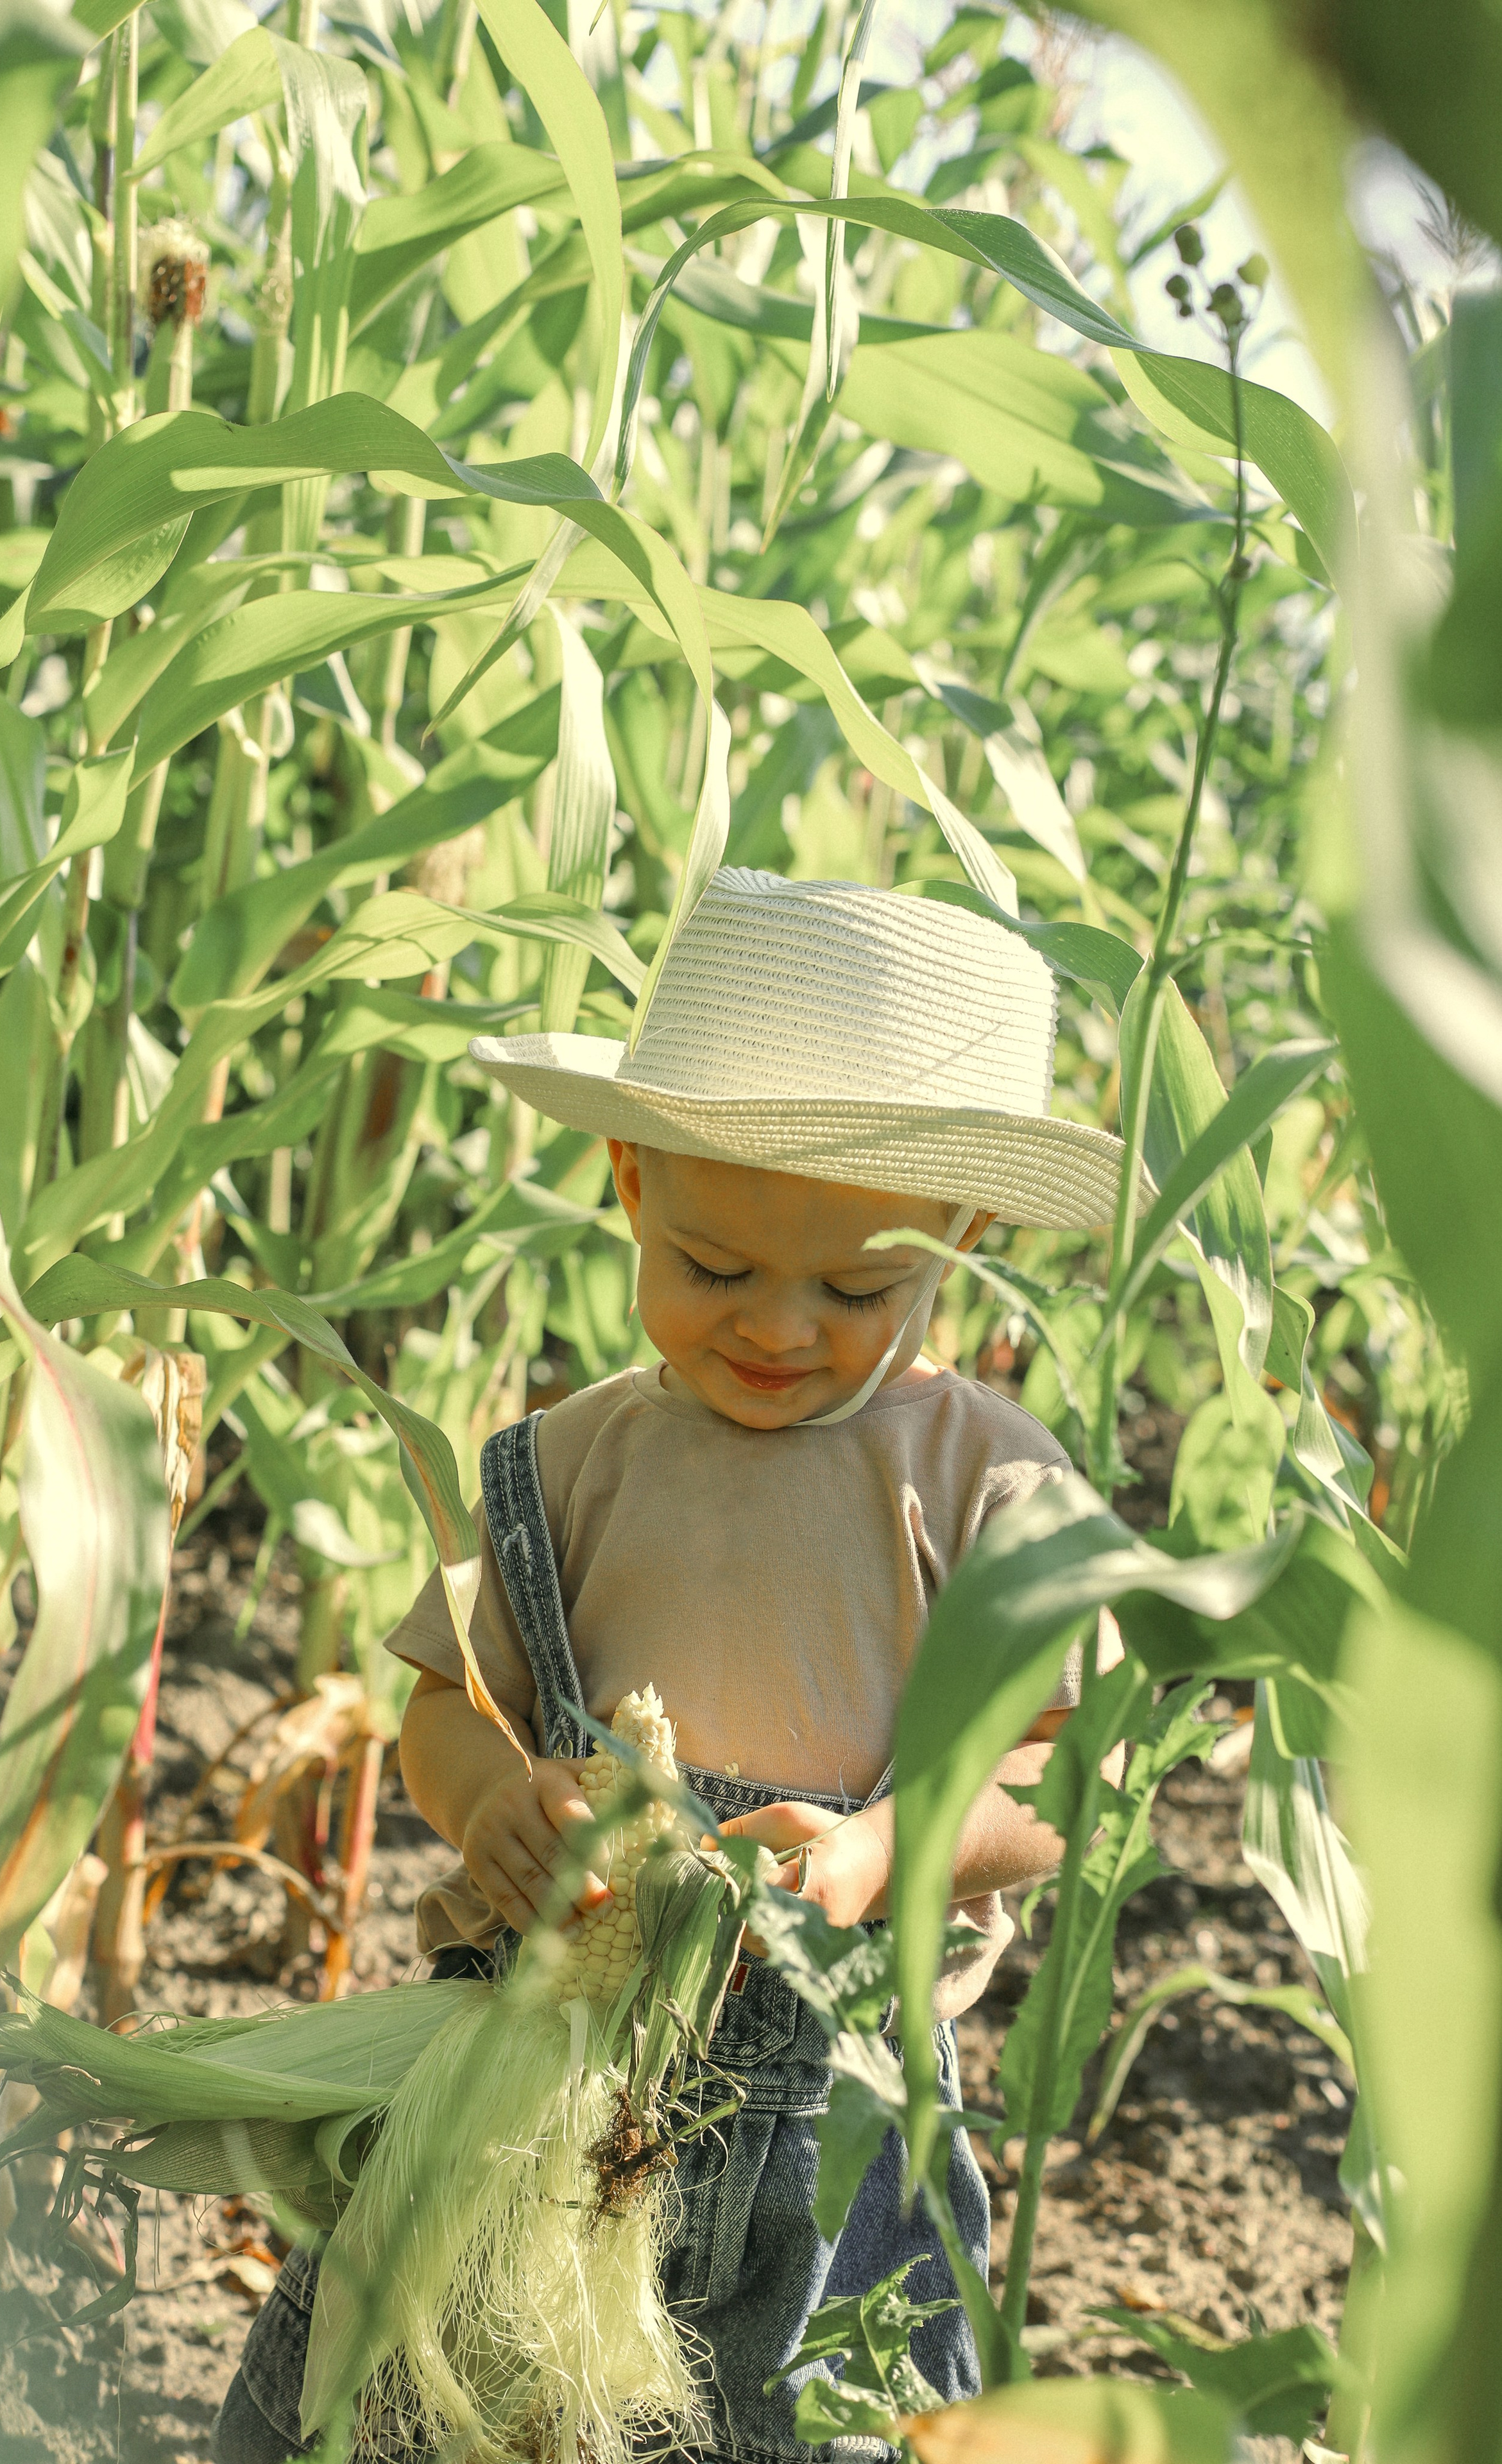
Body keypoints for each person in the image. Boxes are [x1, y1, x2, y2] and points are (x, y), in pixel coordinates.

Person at [215, 868, 1133, 2464]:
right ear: (630, 1183)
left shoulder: (991, 1483)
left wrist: (880, 1854)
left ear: (963, 1239)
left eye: (856, 1290)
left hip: (826, 2136)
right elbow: (445, 1704)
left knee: (809, 2425)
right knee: (405, 2402)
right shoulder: (572, 1460)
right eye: (713, 1267)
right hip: (526, 2083)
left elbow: (1074, 1770)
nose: (777, 1327)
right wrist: (493, 1799)